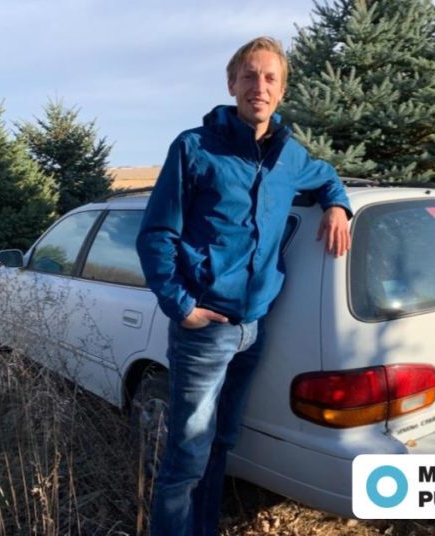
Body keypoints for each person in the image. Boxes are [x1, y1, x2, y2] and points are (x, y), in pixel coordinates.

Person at [136, 36, 352, 536]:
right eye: (250, 76)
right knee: (186, 455)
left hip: (254, 328)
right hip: (203, 329)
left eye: (270, 78)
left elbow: (326, 178)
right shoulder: (195, 147)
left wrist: (338, 205)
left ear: (281, 91)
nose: (260, 86)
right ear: (232, 84)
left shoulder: (290, 156)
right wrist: (181, 306)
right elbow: (156, 234)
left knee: (221, 443)